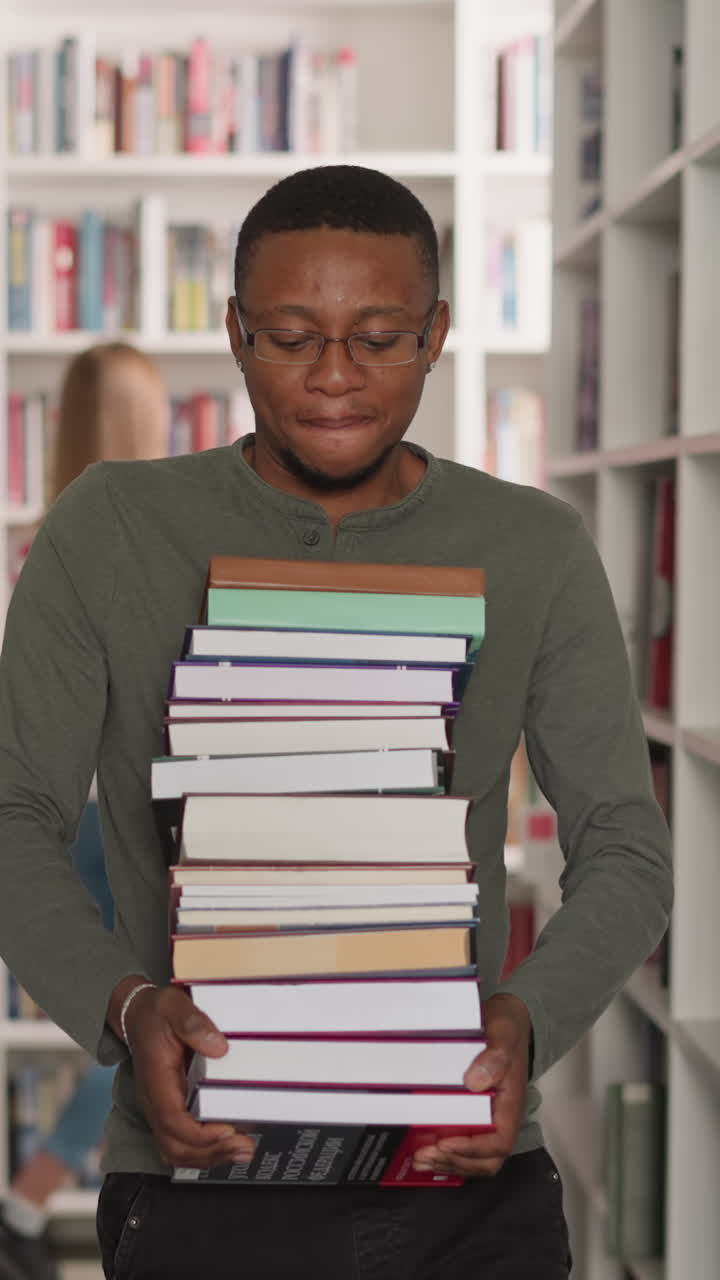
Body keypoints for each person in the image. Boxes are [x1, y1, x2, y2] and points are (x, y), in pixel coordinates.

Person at [0, 167, 672, 1280]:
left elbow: (627, 845)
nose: (333, 376)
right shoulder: (108, 527)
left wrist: (526, 1017)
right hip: (194, 1181)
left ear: (437, 334)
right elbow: (14, 814)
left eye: (379, 335)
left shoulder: (536, 547)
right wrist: (125, 1005)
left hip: (464, 1178)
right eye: (289, 334)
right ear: (233, 333)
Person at [0, 342, 168, 1280]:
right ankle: (30, 1200)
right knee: (150, 1018)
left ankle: (35, 1199)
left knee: (133, 1014)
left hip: (66, 813)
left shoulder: (40, 539)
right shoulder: (137, 541)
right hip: (123, 812)